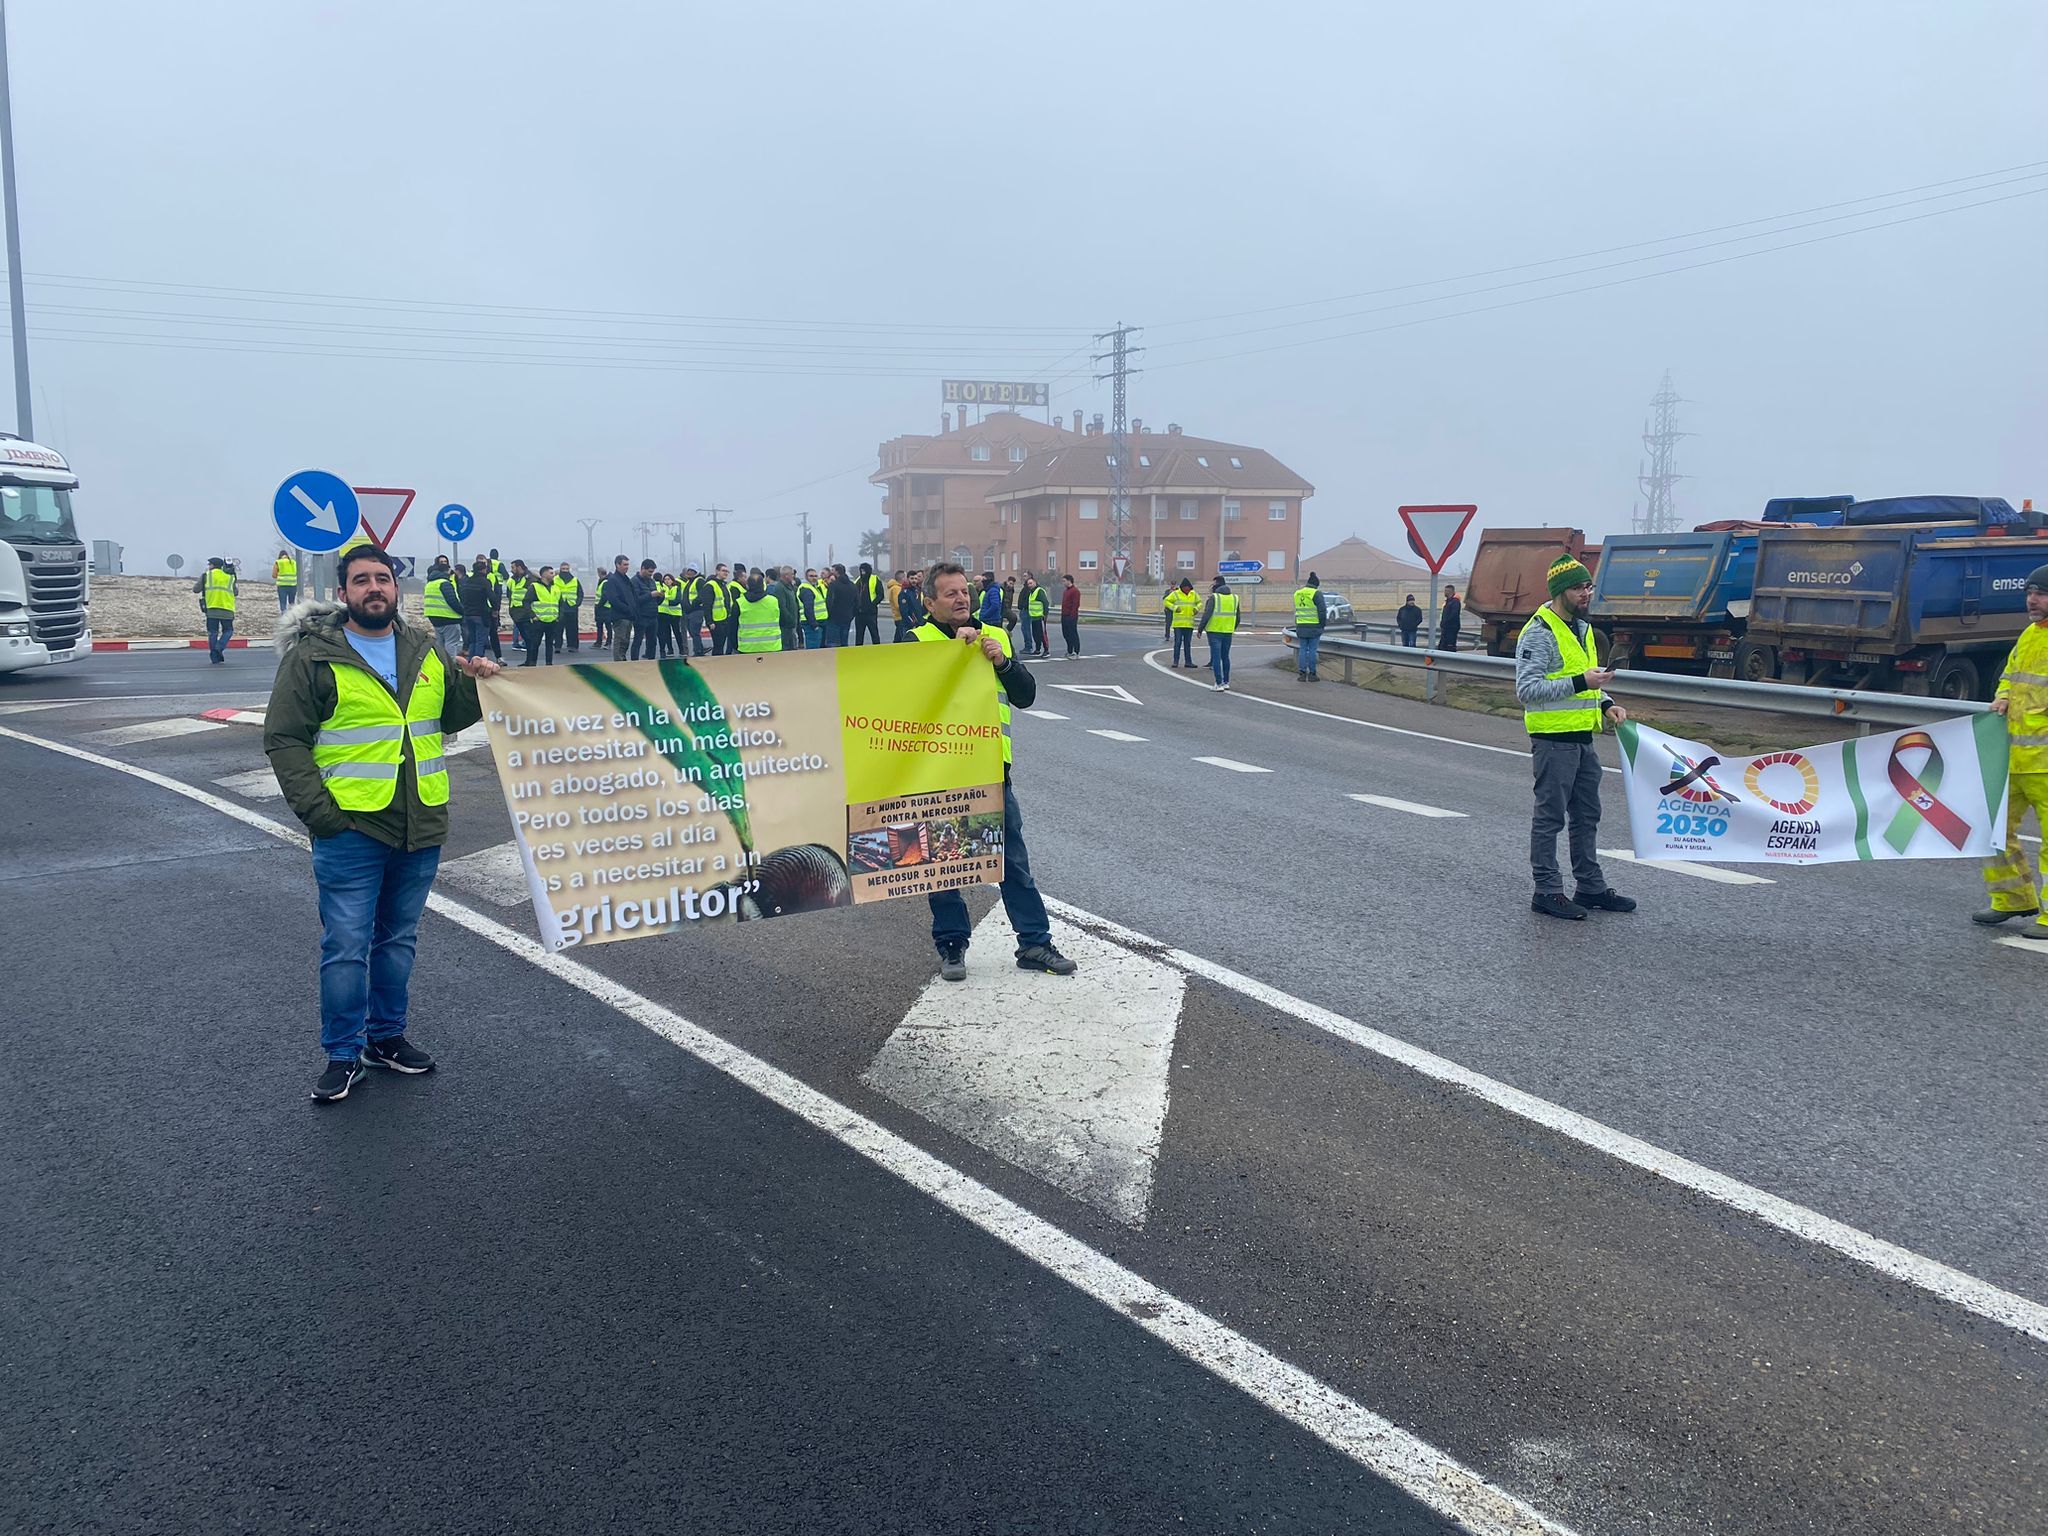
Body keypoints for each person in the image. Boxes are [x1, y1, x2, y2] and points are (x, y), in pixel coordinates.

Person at [263, 540, 501, 1103]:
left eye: (384, 579)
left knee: (397, 941)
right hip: (350, 829)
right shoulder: (314, 656)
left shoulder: (423, 647)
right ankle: (343, 1055)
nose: (376, 588)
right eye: (363, 580)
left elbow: (449, 716)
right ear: (343, 593)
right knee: (346, 946)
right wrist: (321, 816)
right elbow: (284, 739)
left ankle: (386, 1040)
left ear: (398, 588)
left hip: (420, 823)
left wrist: (480, 682)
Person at [911, 561, 1077, 981]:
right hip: (938, 776)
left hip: (992, 772)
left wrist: (1001, 662)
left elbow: (1026, 696)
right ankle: (952, 945)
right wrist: (952, 648)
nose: (961, 598)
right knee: (942, 866)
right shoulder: (915, 642)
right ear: (929, 602)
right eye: (950, 593)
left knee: (1011, 863)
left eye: (964, 591)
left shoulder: (997, 636)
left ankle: (1034, 943)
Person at [1516, 555, 1635, 921]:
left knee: (1587, 815)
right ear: (1558, 591)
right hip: (1553, 740)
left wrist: (1606, 704)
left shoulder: (1581, 629)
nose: (1586, 593)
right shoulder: (1540, 631)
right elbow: (1527, 690)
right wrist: (1584, 682)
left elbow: (1585, 681)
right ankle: (1547, 890)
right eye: (1578, 587)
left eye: (1588, 586)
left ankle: (1590, 886)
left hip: (1584, 738)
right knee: (1550, 817)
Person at [1976, 563, 2048, 939]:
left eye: (2040, 593)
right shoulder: (2030, 635)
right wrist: (2002, 697)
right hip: (2017, 758)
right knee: (1992, 828)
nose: (2032, 600)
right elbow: (2009, 675)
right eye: (2029, 593)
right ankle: (2013, 899)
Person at [1199, 576, 1239, 691]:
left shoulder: (1214, 597)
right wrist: (1232, 627)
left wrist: (1201, 628)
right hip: (1228, 632)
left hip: (1214, 631)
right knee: (1225, 657)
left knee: (1216, 657)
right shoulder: (1235, 598)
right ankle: (1226, 682)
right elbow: (1238, 617)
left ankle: (1218, 683)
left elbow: (1207, 614)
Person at [196, 555, 238, 663]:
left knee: (213, 633)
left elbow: (195, 589)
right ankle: (219, 648)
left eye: (209, 564)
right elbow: (236, 592)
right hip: (227, 608)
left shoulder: (206, 576)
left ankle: (214, 654)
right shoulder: (230, 577)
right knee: (228, 631)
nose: (208, 566)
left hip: (212, 609)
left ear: (213, 565)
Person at [599, 555, 639, 662]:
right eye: (624, 564)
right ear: (617, 565)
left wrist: (633, 610)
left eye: (628, 564)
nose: (627, 567)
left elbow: (632, 597)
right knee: (620, 640)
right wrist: (627, 609)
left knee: (626, 641)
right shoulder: (612, 580)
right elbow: (614, 599)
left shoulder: (626, 580)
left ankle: (623, 659)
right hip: (620, 616)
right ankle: (618, 661)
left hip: (629, 616)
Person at [422, 555, 464, 653]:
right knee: (451, 643)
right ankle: (451, 666)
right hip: (449, 617)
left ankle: (441, 665)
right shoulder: (444, 583)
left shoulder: (430, 583)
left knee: (440, 644)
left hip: (434, 617)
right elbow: (452, 601)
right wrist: (462, 611)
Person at [458, 555, 497, 659]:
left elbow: (462, 596)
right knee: (480, 641)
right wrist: (495, 609)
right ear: (484, 570)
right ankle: (477, 663)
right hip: (481, 614)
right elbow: (492, 597)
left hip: (468, 614)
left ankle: (471, 662)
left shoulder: (467, 581)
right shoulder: (485, 582)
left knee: (473, 640)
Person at [736, 572, 784, 653]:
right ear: (763, 585)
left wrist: (736, 645)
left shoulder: (739, 603)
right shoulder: (774, 601)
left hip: (747, 648)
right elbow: (782, 620)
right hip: (772, 647)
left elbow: (733, 627)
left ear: (747, 585)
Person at [1293, 572, 1327, 680]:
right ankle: (1312, 674)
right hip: (1314, 627)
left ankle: (1302, 674)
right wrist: (1322, 625)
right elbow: (1322, 611)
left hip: (1301, 626)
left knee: (1302, 649)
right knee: (1312, 650)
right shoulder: (1316, 593)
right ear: (1316, 585)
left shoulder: (1297, 593)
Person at [526, 565, 560, 666]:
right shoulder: (535, 587)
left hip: (552, 621)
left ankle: (549, 664)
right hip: (539, 621)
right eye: (551, 573)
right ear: (544, 574)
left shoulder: (555, 588)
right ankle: (533, 664)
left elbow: (560, 603)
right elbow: (526, 602)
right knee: (535, 644)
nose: (553, 575)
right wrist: (533, 616)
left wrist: (559, 616)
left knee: (549, 644)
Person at [1164, 578, 1201, 668]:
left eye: (1188, 588)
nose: (1187, 590)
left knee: (1187, 644)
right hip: (1178, 624)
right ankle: (1175, 661)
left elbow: (1199, 603)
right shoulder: (1176, 594)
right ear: (1182, 588)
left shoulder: (1194, 594)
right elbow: (1166, 601)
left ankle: (1188, 662)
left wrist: (1196, 609)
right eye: (1185, 588)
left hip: (1189, 624)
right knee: (1177, 643)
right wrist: (1175, 608)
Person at [631, 559, 662, 660]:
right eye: (649, 572)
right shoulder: (634, 581)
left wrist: (661, 596)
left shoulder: (652, 581)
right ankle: (634, 662)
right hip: (641, 617)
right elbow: (636, 600)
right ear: (642, 568)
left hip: (653, 616)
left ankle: (651, 660)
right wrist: (650, 595)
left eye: (652, 572)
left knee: (652, 641)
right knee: (638, 641)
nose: (651, 574)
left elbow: (656, 601)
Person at [504, 559, 535, 662]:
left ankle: (531, 662)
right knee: (526, 638)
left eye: (513, 567)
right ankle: (528, 661)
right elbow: (510, 595)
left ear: (519, 567)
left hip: (526, 612)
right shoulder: (512, 580)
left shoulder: (530, 579)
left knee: (529, 639)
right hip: (516, 613)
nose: (511, 570)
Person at [853, 561, 884, 646]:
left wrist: (872, 605)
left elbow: (880, 595)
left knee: (874, 633)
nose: (863, 573)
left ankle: (877, 650)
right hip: (859, 613)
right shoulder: (857, 581)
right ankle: (858, 652)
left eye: (864, 571)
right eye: (861, 571)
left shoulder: (875, 579)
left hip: (871, 612)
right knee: (859, 635)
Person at [656, 572, 684, 657]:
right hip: (666, 613)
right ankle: (670, 650)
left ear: (672, 580)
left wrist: (667, 601)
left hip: (675, 613)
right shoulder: (663, 588)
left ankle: (681, 650)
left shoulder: (676, 588)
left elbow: (677, 600)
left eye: (669, 579)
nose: (667, 581)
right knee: (667, 632)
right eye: (665, 579)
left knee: (677, 632)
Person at [771, 565, 799, 651]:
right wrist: (790, 620)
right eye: (792, 574)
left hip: (791, 625)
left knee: (792, 648)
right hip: (785, 626)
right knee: (786, 649)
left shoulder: (789, 587)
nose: (793, 576)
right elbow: (782, 607)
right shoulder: (780, 588)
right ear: (786, 575)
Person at [826, 563, 854, 647]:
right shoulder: (852, 585)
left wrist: (830, 614)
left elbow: (829, 602)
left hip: (834, 619)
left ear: (837, 572)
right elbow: (857, 602)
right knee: (844, 643)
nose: (831, 572)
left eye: (832, 570)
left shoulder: (833, 585)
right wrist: (851, 615)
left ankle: (832, 660)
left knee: (833, 643)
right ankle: (845, 659)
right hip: (847, 618)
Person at [798, 567, 826, 651]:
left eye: (815, 576)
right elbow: (808, 609)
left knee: (818, 650)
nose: (814, 578)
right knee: (813, 650)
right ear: (806, 577)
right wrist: (814, 625)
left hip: (818, 622)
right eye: (811, 576)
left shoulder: (814, 588)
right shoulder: (806, 589)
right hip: (812, 624)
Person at [556, 563, 582, 652]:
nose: (565, 571)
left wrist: (576, 604)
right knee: (558, 629)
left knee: (572, 629)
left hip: (571, 608)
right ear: (560, 569)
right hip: (559, 608)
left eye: (566, 569)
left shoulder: (575, 580)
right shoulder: (555, 580)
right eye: (563, 569)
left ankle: (573, 646)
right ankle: (557, 646)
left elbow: (580, 593)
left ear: (569, 569)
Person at [1020, 574, 1048, 657]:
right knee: (1035, 634)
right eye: (1028, 584)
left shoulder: (1039, 591)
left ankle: (1046, 650)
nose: (1029, 585)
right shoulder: (1031, 592)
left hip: (1040, 617)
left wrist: (1045, 614)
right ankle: (1038, 649)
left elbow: (1045, 603)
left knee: (1042, 634)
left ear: (1035, 582)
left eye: (1031, 583)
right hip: (1033, 617)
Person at [894, 568, 925, 641]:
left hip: (918, 624)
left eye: (915, 578)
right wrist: (912, 623)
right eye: (912, 578)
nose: (914, 580)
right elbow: (904, 611)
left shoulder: (916, 591)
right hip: (909, 626)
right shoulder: (904, 593)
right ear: (907, 579)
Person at [1060, 575, 1082, 658]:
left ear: (1069, 581)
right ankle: (1069, 651)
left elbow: (1075, 604)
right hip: (1064, 615)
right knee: (1066, 634)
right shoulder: (1065, 591)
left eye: (1064, 581)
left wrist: (1072, 616)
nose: (1063, 583)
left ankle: (1076, 652)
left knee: (1073, 634)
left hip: (1071, 616)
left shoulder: (1075, 591)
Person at [1439, 585, 1463, 652]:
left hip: (1451, 627)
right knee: (1442, 646)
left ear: (1451, 592)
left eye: (1446, 591)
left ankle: (1451, 660)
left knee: (1450, 646)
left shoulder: (1455, 602)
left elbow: (1454, 615)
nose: (1445, 592)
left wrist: (1446, 622)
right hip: (1445, 627)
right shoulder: (1448, 602)